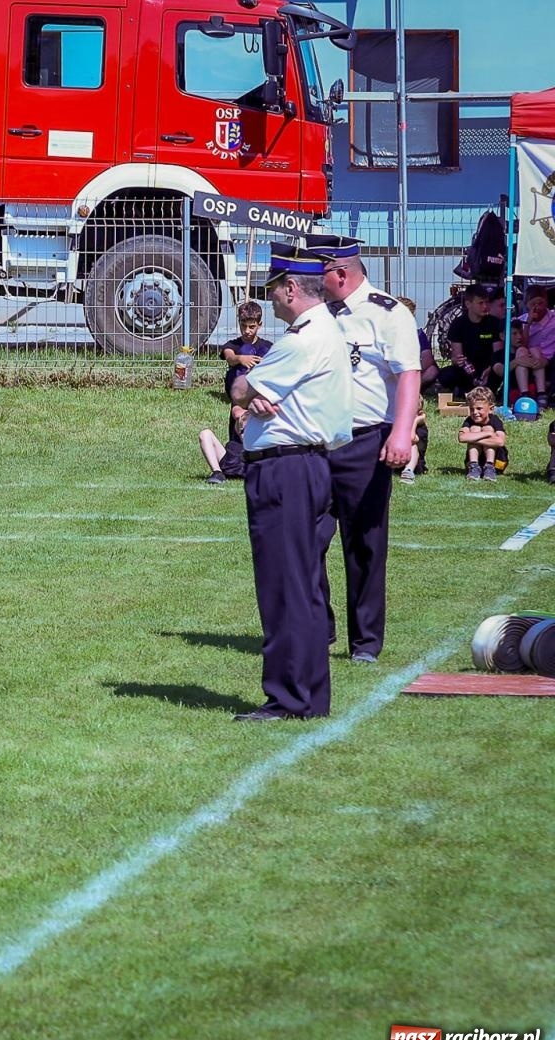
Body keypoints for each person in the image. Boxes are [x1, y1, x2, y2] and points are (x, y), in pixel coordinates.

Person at [230, 242, 354, 722]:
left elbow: (240, 388)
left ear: (289, 289)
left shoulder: (300, 338)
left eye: (275, 292)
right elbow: (248, 392)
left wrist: (249, 388)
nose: (274, 301)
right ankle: (308, 696)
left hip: (284, 469)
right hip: (308, 465)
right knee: (303, 587)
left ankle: (288, 697)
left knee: (285, 588)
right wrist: (253, 391)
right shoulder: (327, 330)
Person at [304, 233, 422, 664]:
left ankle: (365, 643)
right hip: (316, 440)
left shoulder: (386, 314)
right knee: (307, 539)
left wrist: (402, 432)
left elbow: (408, 374)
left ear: (340, 273)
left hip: (365, 440)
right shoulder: (315, 314)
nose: (311, 280)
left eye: (318, 272)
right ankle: (320, 629)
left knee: (366, 543)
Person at [200, 301, 268, 484]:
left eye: (252, 326)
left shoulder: (268, 348)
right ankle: (217, 472)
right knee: (206, 433)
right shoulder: (234, 346)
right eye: (243, 326)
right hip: (240, 407)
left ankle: (257, 465)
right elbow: (229, 356)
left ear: (259, 325)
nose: (247, 330)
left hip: (258, 405)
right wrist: (240, 358)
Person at [438, 284, 505, 396]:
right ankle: (466, 389)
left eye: (487, 302)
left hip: (489, 368)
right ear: (468, 304)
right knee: (445, 375)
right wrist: (458, 361)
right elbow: (456, 356)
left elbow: (498, 354)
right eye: (480, 303)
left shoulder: (494, 323)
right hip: (468, 369)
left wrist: (490, 368)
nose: (485, 306)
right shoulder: (458, 324)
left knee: (498, 371)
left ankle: (479, 390)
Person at [512, 286, 555, 406]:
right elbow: (523, 343)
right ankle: (524, 394)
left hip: (550, 359)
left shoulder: (553, 318)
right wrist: (528, 323)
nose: (537, 307)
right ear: (526, 304)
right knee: (525, 350)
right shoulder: (521, 321)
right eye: (533, 304)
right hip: (531, 360)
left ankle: (542, 393)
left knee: (535, 351)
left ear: (546, 302)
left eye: (540, 303)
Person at [458, 386, 507, 482]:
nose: (475, 412)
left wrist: (474, 438)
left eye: (479, 408)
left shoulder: (495, 421)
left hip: (498, 463)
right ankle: (474, 466)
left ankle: (489, 466)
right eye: (472, 409)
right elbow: (462, 438)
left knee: (486, 428)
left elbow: (501, 442)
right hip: (474, 462)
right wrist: (488, 434)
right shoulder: (469, 421)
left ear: (491, 409)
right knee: (475, 429)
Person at [397, 296, 439, 394]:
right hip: (394, 373)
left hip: (412, 372)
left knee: (432, 371)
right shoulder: (385, 334)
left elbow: (427, 360)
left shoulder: (418, 335)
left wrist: (412, 372)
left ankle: (410, 390)